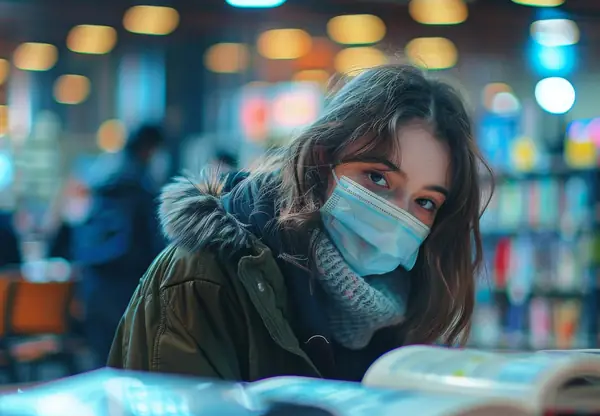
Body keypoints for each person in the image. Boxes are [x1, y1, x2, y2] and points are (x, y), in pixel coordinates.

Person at [108, 65, 492, 381]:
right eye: (377, 177)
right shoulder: (202, 278)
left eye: (425, 201)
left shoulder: (412, 307)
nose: (398, 216)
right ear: (322, 160)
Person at [76, 124, 166, 367]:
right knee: (128, 357)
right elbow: (151, 240)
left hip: (95, 281)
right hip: (127, 283)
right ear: (150, 149)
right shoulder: (140, 184)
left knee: (101, 356)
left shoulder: (103, 177)